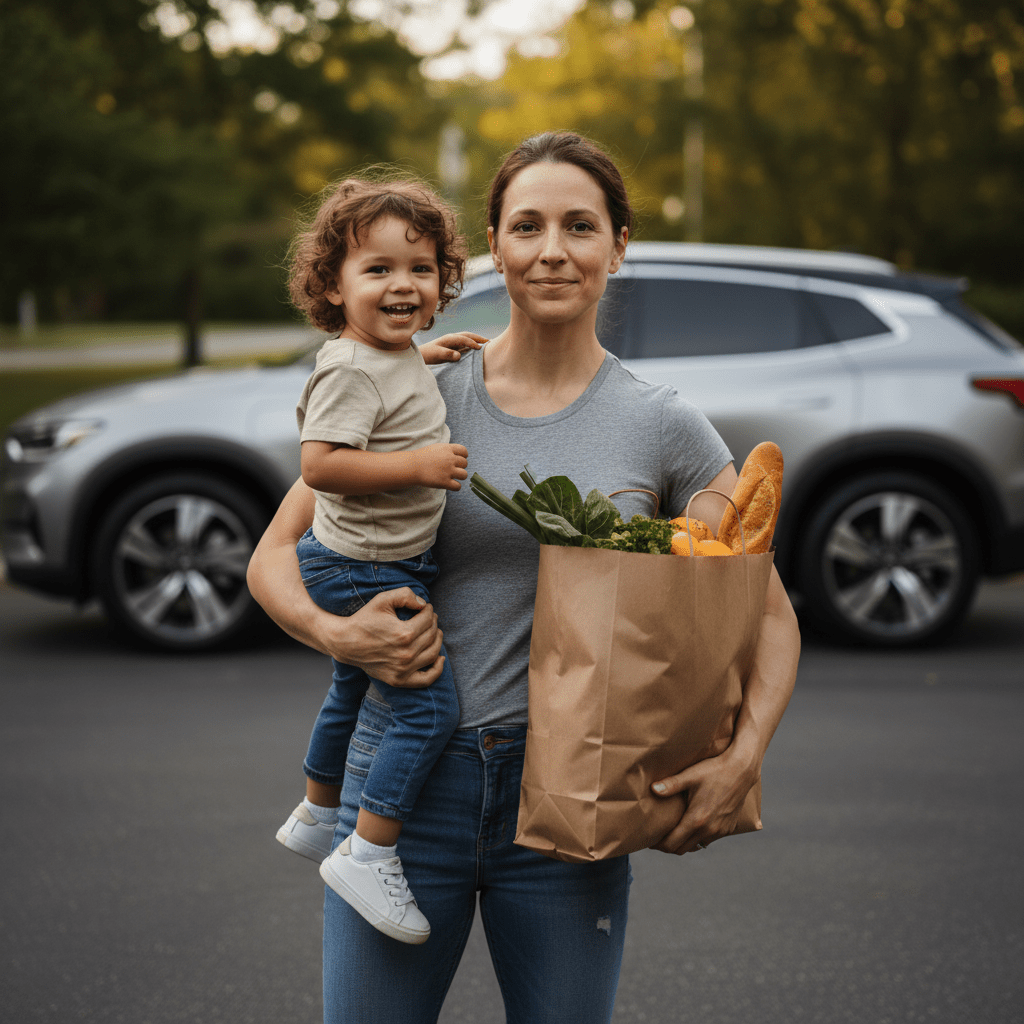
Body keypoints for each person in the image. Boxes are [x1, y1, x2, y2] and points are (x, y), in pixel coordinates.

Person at [247, 132, 801, 1024]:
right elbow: (273, 556)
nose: (552, 250)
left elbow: (767, 613)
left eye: (580, 226)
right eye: (527, 226)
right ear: (493, 248)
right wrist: (337, 634)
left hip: (572, 801)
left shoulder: (663, 426)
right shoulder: (419, 386)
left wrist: (744, 757)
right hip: (401, 799)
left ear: (618, 246)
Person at [273, 175, 486, 946]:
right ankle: (368, 849)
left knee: (350, 688)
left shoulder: (389, 356)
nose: (403, 284)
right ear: (334, 285)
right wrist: (420, 468)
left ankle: (314, 809)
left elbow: (386, 383)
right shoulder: (350, 368)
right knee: (429, 708)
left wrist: (428, 354)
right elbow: (323, 465)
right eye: (378, 270)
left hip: (365, 560)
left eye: (421, 270)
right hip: (363, 566)